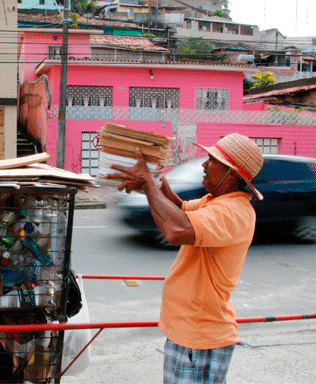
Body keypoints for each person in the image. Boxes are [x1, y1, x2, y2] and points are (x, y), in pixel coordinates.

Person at [105, 133, 264, 384]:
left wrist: (148, 185)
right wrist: (155, 185)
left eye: (212, 160)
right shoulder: (216, 202)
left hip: (200, 338)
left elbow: (177, 230)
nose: (204, 164)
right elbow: (179, 210)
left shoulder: (233, 212)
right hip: (192, 334)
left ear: (231, 174)